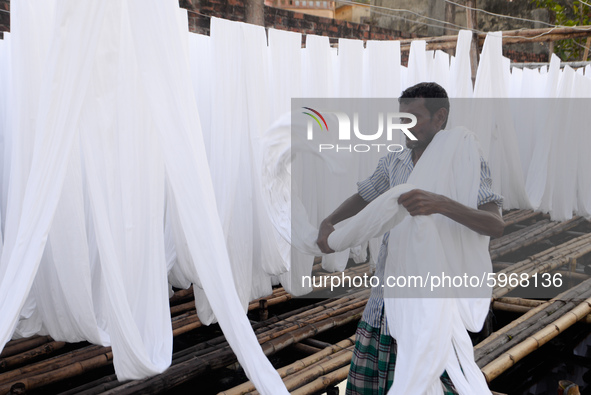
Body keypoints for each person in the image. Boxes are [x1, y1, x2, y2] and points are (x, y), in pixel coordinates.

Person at [316, 82, 505, 395]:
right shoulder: (395, 161)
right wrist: (330, 222)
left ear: (439, 117)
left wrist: (441, 204)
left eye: (412, 118)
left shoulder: (465, 159)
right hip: (386, 297)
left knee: (430, 378)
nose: (403, 126)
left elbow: (495, 224)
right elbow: (365, 195)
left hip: (434, 304)